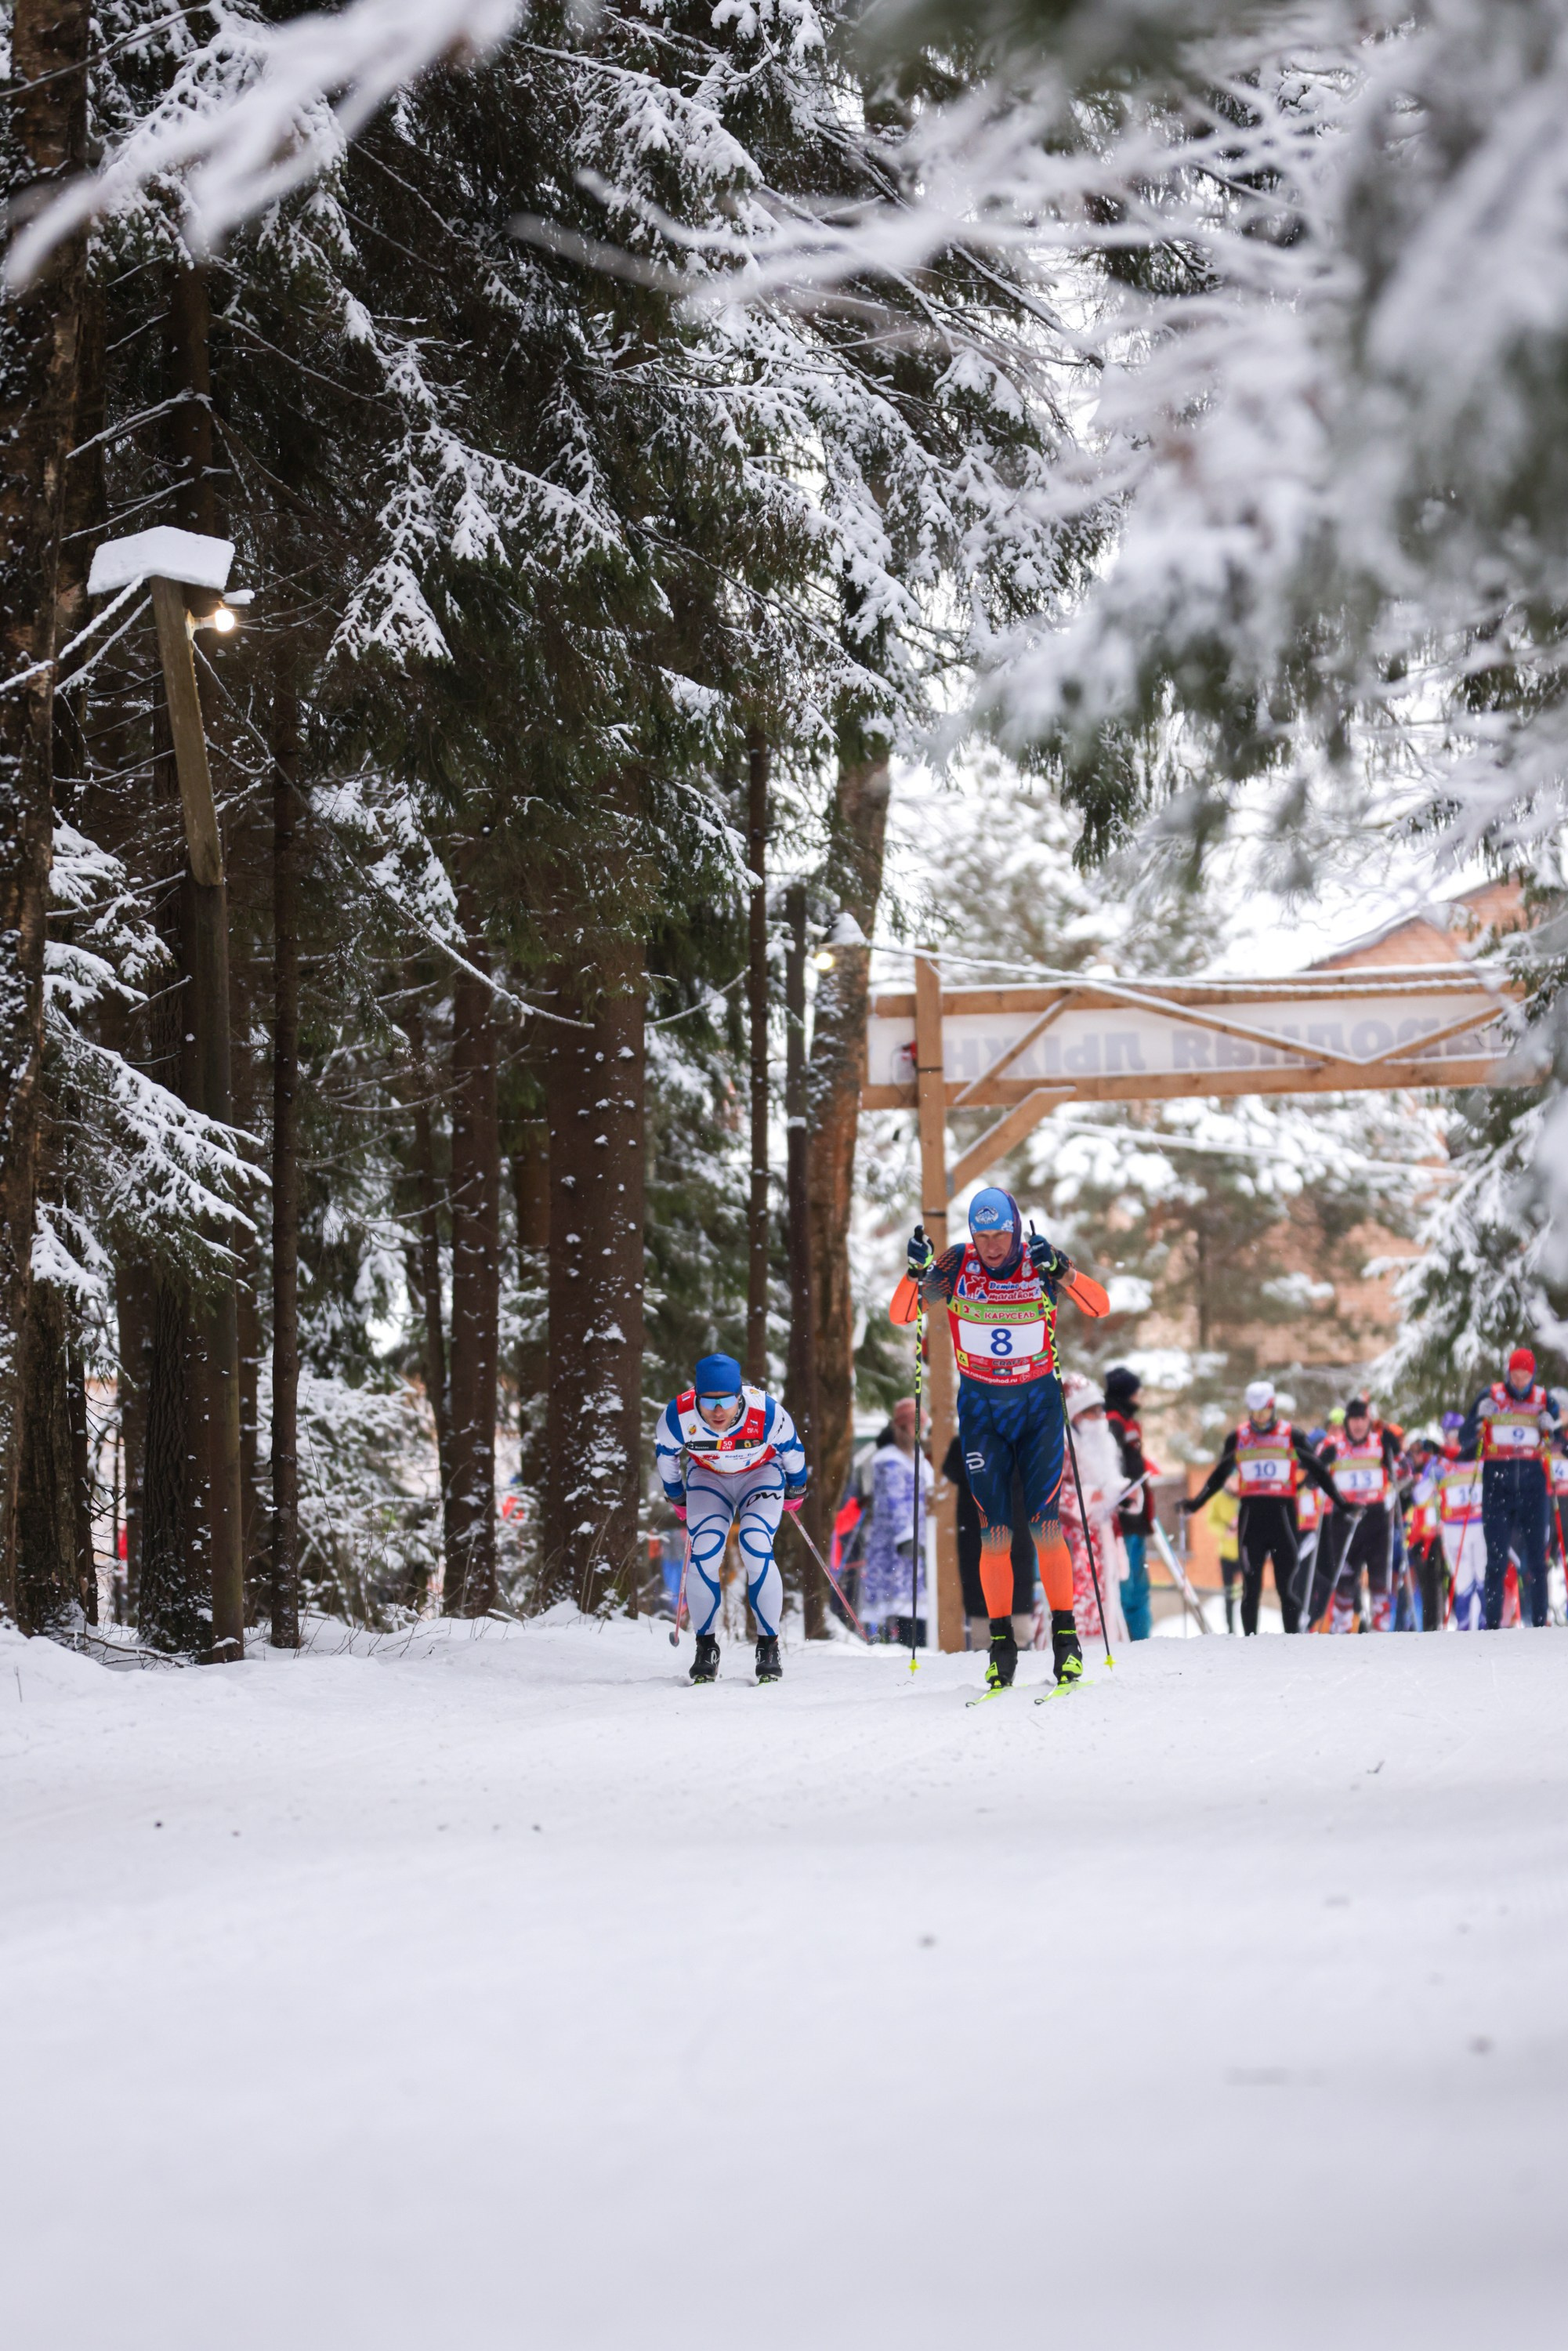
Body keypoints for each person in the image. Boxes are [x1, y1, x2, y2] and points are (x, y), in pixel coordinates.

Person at [891, 1185, 1108, 1692]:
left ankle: (1065, 1643)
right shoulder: (955, 1264)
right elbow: (903, 1316)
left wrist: (1062, 1270)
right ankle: (1000, 1648)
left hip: (1036, 1413)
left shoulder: (1038, 1260)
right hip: (983, 1415)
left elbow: (1097, 1306)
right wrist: (913, 1274)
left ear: (1015, 1229)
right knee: (995, 1534)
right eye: (981, 1235)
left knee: (1043, 1525)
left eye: (1000, 1234)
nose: (991, 1246)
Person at [655, 1352, 809, 1684]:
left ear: (740, 1395)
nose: (719, 1411)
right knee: (706, 1550)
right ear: (696, 1397)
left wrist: (797, 1487)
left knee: (755, 1542)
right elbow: (666, 1456)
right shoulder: (677, 1416)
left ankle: (768, 1647)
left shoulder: (766, 1412)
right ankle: (706, 1647)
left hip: (760, 1473)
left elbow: (793, 1450)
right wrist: (676, 1494)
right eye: (709, 1403)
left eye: (727, 1400)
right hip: (709, 1476)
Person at [1180, 1378, 1344, 1634]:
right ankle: (1251, 1645)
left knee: (1286, 1589)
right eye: (1255, 1413)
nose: (1260, 1419)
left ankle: (1293, 1642)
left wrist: (1342, 1503)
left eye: (1265, 1412)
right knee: (1251, 1589)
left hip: (1284, 1521)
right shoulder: (1239, 1437)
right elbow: (1219, 1475)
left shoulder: (1291, 1435)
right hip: (1252, 1522)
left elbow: (1319, 1471)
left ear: (1273, 1407)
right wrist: (1196, 1503)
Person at [1459, 1348, 1561, 1629]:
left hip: (1533, 1490)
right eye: (1515, 1374)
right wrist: (1479, 1420)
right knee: (1496, 1560)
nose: (1519, 1381)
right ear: (1508, 1372)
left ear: (1533, 1374)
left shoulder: (1543, 1399)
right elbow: (1465, 1437)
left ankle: (1540, 1623)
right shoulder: (1491, 1395)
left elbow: (1561, 1440)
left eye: (1525, 1375)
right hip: (1497, 1490)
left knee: (1537, 1562)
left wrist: (1551, 1427)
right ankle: (1493, 1624)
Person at [1314, 1399, 1403, 1632]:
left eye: (1363, 1419)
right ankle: (1343, 1628)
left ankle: (1381, 1628)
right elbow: (1315, 1476)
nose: (1359, 1425)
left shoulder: (1380, 1443)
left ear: (1368, 1421)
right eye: (1354, 1420)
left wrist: (1397, 1461)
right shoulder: (1335, 1447)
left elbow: (1402, 1466)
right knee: (1345, 1582)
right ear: (1347, 1422)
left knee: (1379, 1581)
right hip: (1345, 1522)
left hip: (1376, 1521)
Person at [942, 1436, 1036, 1653]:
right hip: (992, 1537)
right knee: (992, 1630)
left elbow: (952, 1470)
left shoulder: (969, 1441)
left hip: (996, 1538)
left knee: (1009, 1628)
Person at [1059, 1372, 1130, 1648]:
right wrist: (1094, 1496)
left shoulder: (1105, 1444)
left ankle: (1106, 1649)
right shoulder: (1061, 1446)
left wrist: (1123, 1493)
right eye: (1090, 1412)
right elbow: (1053, 1494)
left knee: (1106, 1601)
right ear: (1075, 1415)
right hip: (1073, 1541)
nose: (1099, 1418)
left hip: (1103, 1537)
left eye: (1101, 1410)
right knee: (1076, 1604)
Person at [861, 1398, 932, 1643]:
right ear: (900, 1428)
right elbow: (893, 1501)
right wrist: (907, 1536)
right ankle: (895, 1642)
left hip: (920, 1542)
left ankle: (914, 1642)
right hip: (896, 1545)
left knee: (916, 1602)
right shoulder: (889, 1460)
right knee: (898, 1602)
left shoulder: (919, 1458)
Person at [1104, 1365, 1153, 1640]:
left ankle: (1141, 1637)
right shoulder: (1114, 1423)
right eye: (1136, 1392)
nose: (1139, 1398)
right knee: (1130, 1584)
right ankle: (1132, 1640)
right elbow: (1113, 1466)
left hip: (1136, 1516)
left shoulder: (1127, 1421)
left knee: (1138, 1583)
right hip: (1125, 1519)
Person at [1435, 1429, 1485, 1632]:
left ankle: (1485, 1624)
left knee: (1483, 1576)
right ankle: (1463, 1625)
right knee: (1463, 1581)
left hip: (1480, 1525)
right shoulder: (1441, 1463)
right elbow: (1420, 1495)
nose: (1454, 1438)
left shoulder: (1481, 1460)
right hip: (1454, 1529)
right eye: (1450, 1433)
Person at [1207, 1478, 1242, 1634]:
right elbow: (1211, 1522)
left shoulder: (1243, 1497)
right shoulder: (1219, 1498)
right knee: (1229, 1594)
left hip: (1243, 1552)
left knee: (1248, 1592)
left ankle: (1248, 1626)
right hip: (1227, 1553)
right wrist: (1226, 1531)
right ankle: (1230, 1629)